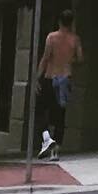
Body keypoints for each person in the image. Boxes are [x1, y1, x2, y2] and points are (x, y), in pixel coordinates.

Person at [36, 9, 83, 160]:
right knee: (60, 117)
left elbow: (45, 58)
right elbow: (81, 59)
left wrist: (38, 77)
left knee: (41, 110)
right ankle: (55, 152)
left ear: (59, 21)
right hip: (65, 78)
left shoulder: (52, 37)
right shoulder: (75, 39)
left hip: (50, 77)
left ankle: (46, 138)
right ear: (71, 23)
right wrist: (69, 61)